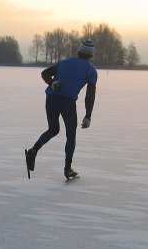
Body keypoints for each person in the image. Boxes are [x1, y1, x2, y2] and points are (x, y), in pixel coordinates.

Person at [25, 40, 98, 180]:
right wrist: (88, 115)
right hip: (68, 103)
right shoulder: (91, 70)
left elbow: (45, 73)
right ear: (91, 55)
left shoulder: (65, 62)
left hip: (51, 98)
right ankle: (67, 169)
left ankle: (33, 151)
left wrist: (52, 83)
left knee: (53, 129)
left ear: (79, 51)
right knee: (71, 135)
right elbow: (90, 95)